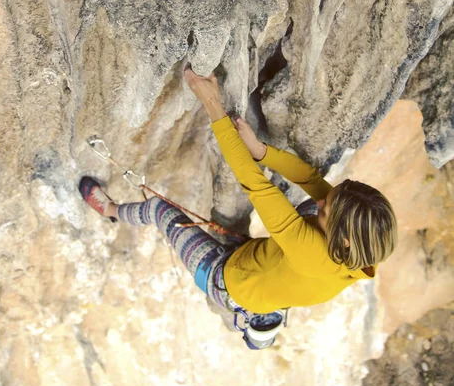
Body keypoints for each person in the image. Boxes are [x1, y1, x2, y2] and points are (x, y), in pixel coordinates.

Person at [79, 65, 397, 322]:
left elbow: (254, 183)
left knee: (160, 211)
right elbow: (311, 179)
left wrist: (211, 104)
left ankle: (110, 211)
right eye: (332, 197)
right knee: (308, 211)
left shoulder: (310, 250)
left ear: (343, 239)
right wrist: (260, 151)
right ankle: (265, 312)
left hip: (222, 279)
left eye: (329, 210)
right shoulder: (363, 249)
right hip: (264, 265)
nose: (322, 200)